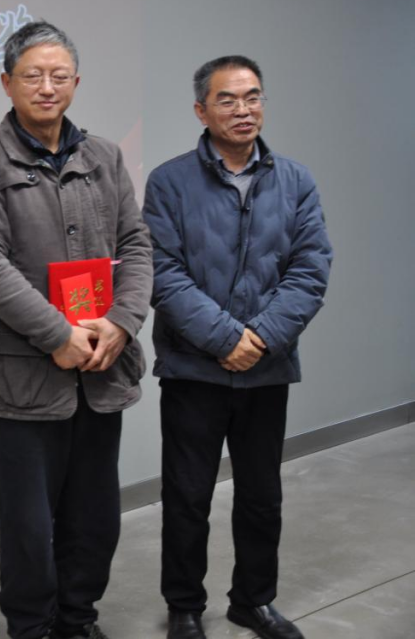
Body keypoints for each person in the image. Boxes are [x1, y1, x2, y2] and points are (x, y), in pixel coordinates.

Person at [0, 21, 152, 639]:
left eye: (59, 75)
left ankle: (78, 620)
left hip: (101, 369)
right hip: (24, 380)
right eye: (33, 75)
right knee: (29, 527)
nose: (47, 87)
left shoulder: (104, 157)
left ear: (76, 83)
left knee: (95, 518)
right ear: (7, 82)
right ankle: (33, 628)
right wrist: (58, 335)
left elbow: (137, 245)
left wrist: (121, 323)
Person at [142, 56, 332, 639]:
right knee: (187, 497)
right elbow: (163, 274)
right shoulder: (169, 182)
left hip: (266, 369)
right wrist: (226, 338)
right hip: (193, 369)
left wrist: (263, 338)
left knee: (261, 496)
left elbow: (310, 270)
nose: (243, 110)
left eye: (253, 97)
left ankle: (254, 600)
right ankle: (184, 607)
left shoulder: (295, 180)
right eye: (227, 99)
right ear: (201, 110)